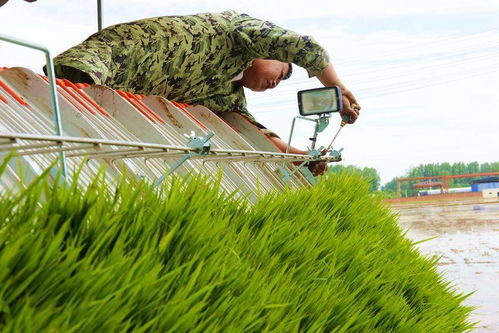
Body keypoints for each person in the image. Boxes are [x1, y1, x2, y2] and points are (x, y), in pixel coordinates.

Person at [49, 10, 361, 176]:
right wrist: (340, 89)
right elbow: (306, 48)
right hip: (98, 64)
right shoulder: (239, 31)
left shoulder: (225, 93)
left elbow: (252, 130)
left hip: (100, 98)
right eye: (281, 72)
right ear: (266, 52)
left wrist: (301, 157)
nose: (275, 84)